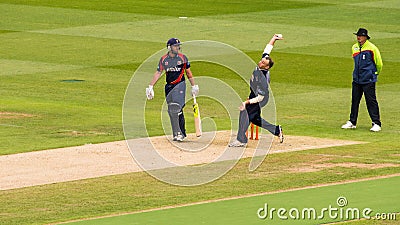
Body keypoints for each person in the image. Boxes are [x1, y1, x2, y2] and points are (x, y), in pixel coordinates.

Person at [229, 34, 284, 147]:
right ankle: (276, 130)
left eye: (263, 63)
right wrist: (274, 39)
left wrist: (246, 102)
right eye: (261, 61)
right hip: (254, 94)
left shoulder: (263, 78)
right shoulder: (262, 64)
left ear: (267, 67)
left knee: (245, 114)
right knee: (255, 119)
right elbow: (267, 50)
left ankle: (241, 140)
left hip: (261, 98)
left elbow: (260, 97)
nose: (260, 63)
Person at [146, 38, 199, 141]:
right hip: (169, 86)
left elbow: (188, 72)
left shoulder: (183, 58)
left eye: (178, 45)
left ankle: (181, 133)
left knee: (176, 108)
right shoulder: (164, 59)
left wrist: (193, 85)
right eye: (175, 46)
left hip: (180, 85)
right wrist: (151, 86)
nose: (178, 47)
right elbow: (158, 72)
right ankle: (177, 133)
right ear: (169, 47)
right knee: (171, 110)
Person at [341, 28, 383, 132]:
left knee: (371, 101)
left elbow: (379, 64)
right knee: (355, 100)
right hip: (357, 79)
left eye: (361, 36)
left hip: (368, 80)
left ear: (365, 37)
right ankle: (352, 122)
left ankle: (376, 123)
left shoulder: (372, 48)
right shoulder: (354, 47)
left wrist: (374, 74)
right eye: (357, 36)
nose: (358, 38)